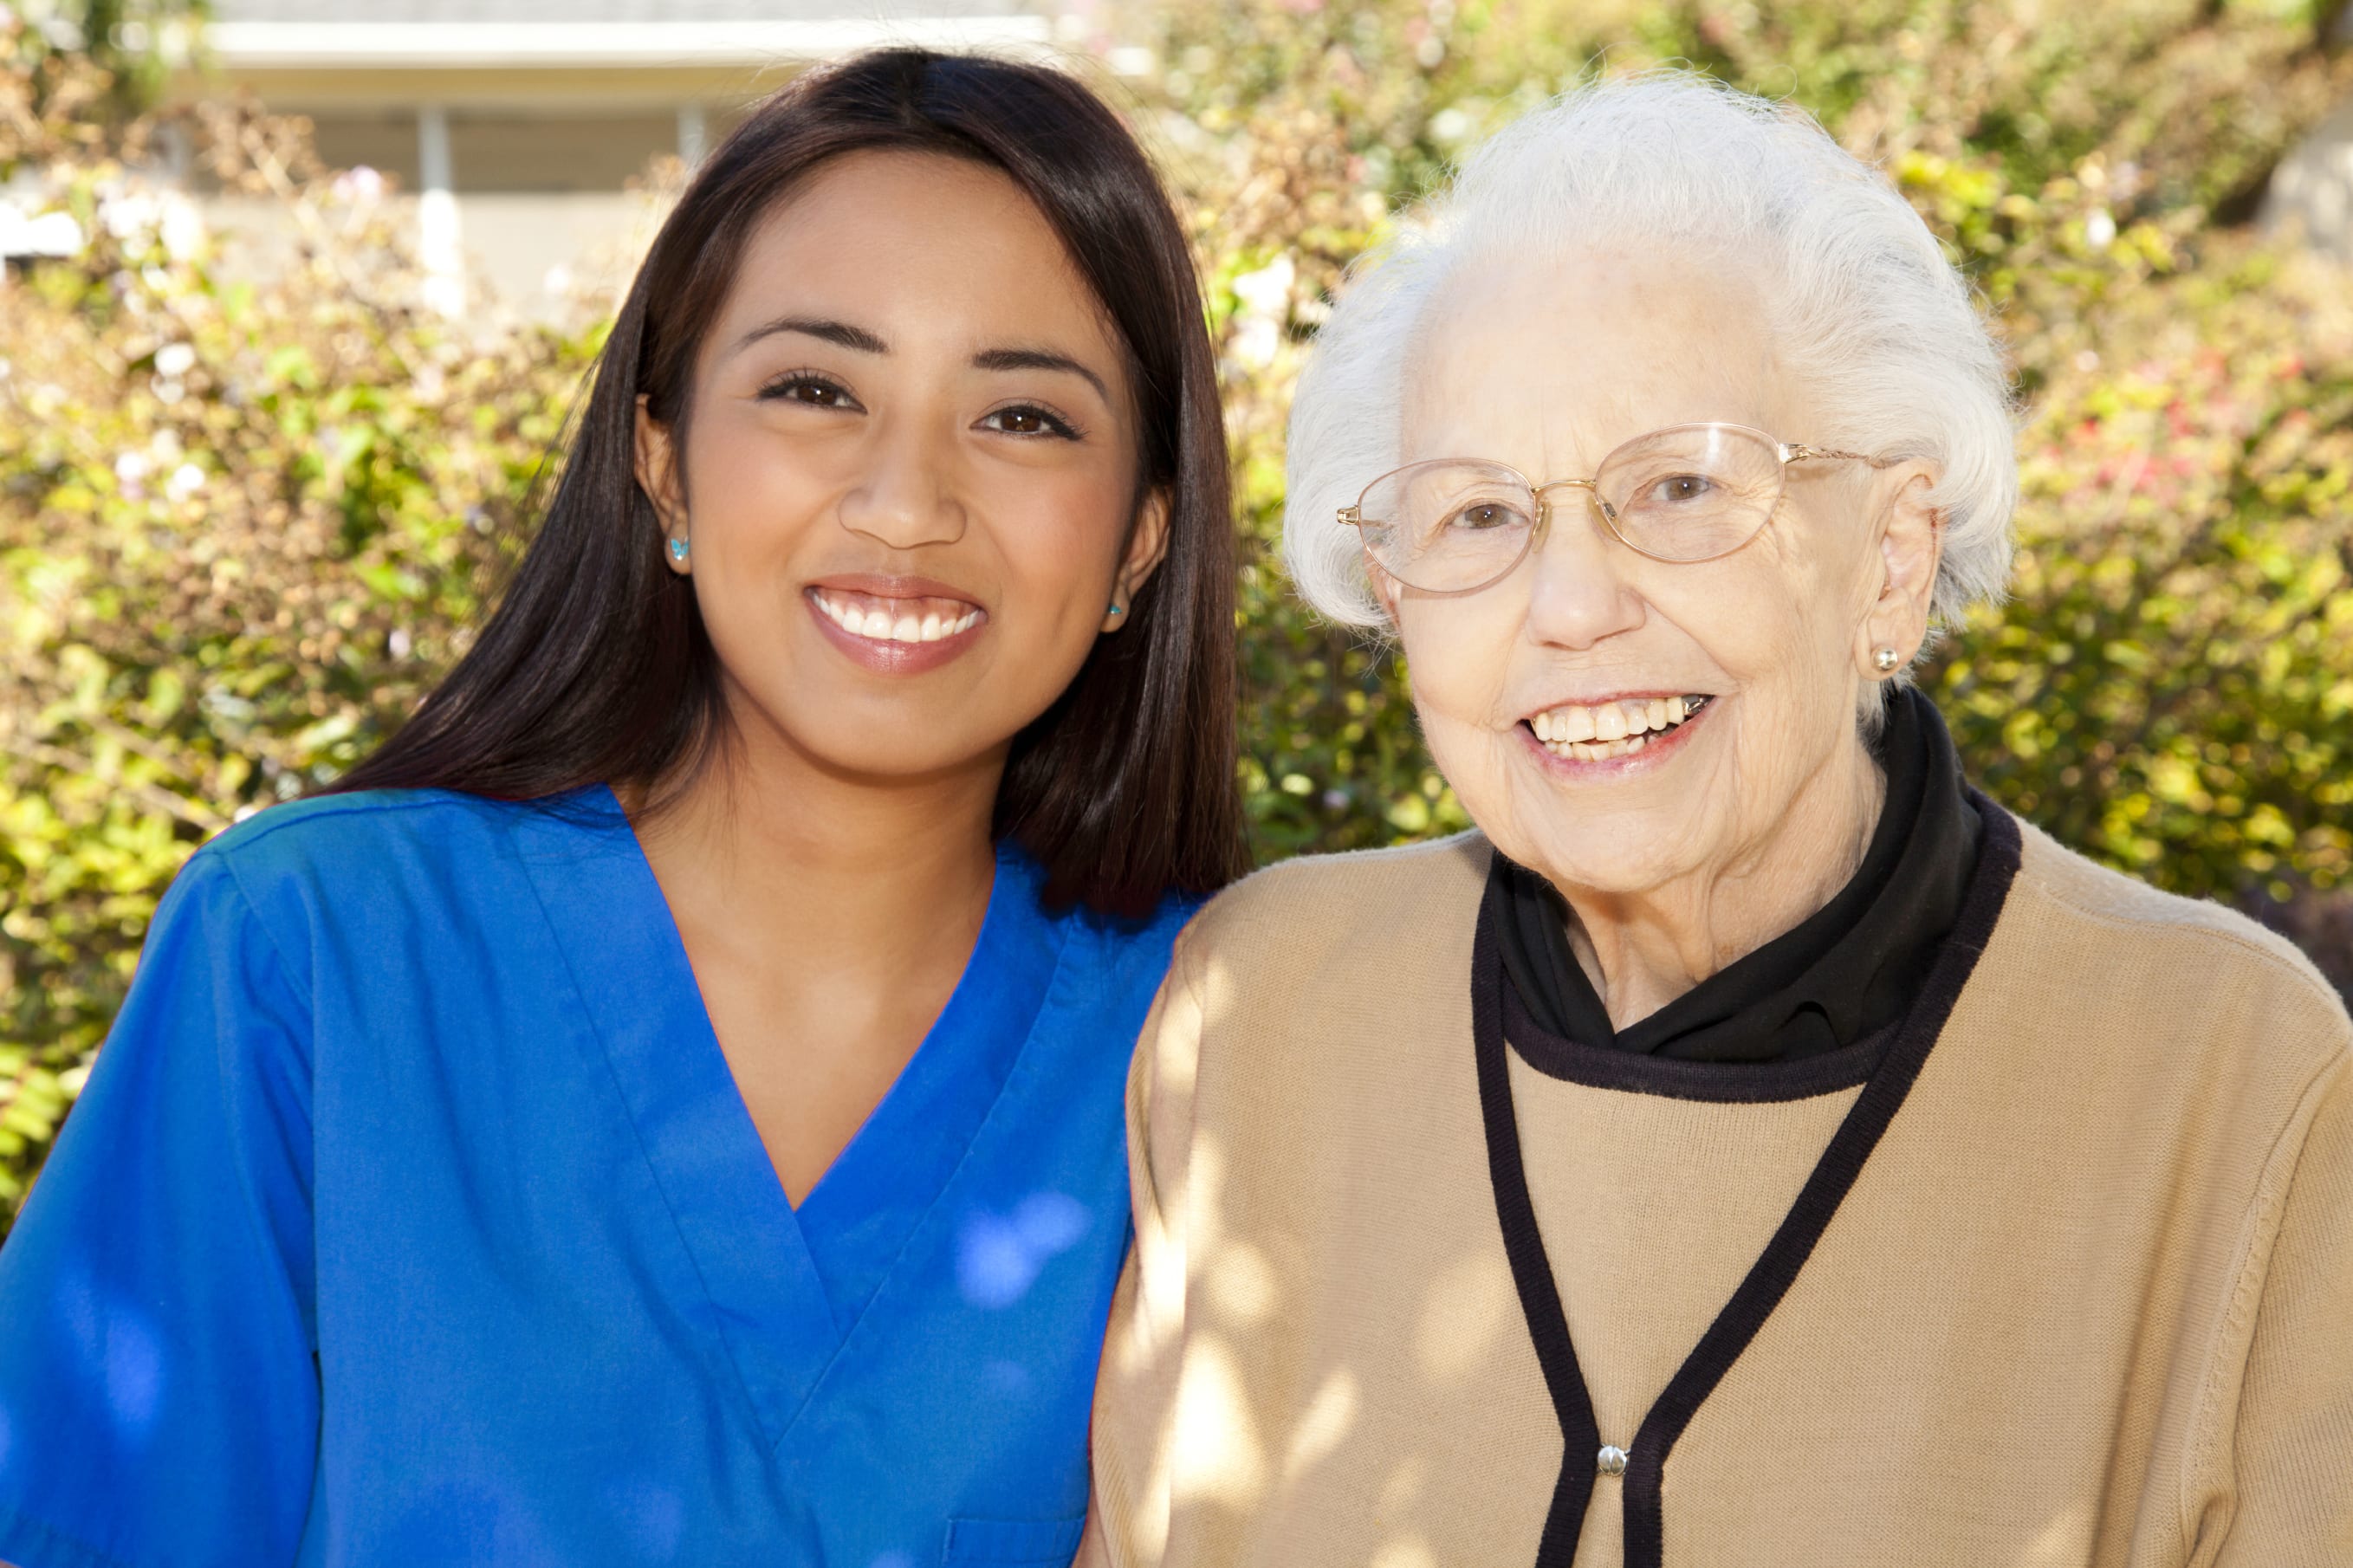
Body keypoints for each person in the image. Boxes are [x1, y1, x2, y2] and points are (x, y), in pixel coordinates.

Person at [1081, 74, 2352, 1568]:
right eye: (1479, 514)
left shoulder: (2227, 1077)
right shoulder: (1264, 1013)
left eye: (1679, 485)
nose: (1569, 608)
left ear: (1889, 556)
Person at [0, 49, 1247, 1568]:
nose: (907, 500)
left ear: (1140, 541)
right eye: (813, 388)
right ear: (661, 462)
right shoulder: (315, 957)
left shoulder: (1219, 1051)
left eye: (1026, 418)